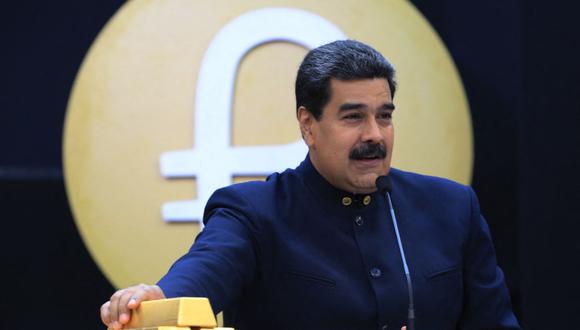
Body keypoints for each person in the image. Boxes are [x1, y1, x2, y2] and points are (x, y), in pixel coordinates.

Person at [101, 40, 520, 330]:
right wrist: (157, 297)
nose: (375, 134)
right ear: (308, 124)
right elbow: (205, 272)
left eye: (385, 115)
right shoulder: (255, 213)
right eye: (353, 117)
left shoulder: (451, 207)